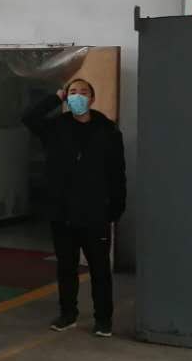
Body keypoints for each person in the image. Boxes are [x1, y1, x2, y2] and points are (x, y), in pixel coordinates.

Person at [22, 78, 126, 338]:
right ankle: (67, 314)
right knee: (66, 267)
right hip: (62, 211)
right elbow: (28, 117)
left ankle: (103, 319)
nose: (78, 96)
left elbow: (117, 173)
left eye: (84, 92)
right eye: (73, 92)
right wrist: (55, 98)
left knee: (100, 269)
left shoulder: (108, 130)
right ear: (67, 97)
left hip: (95, 212)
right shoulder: (55, 127)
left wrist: (115, 207)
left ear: (92, 98)